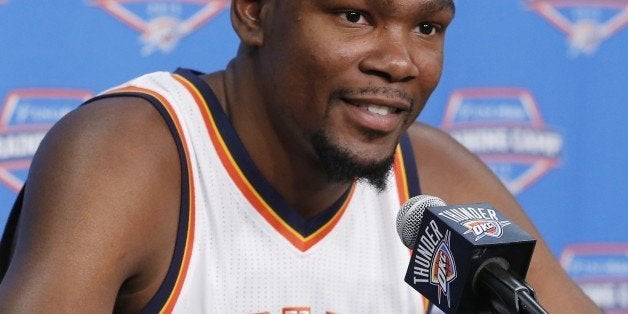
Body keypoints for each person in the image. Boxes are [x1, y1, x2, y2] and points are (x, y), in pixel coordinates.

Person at [0, 0, 600, 313]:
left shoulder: (433, 177)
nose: (399, 62)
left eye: (428, 27)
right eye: (353, 15)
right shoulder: (135, 154)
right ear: (254, 12)